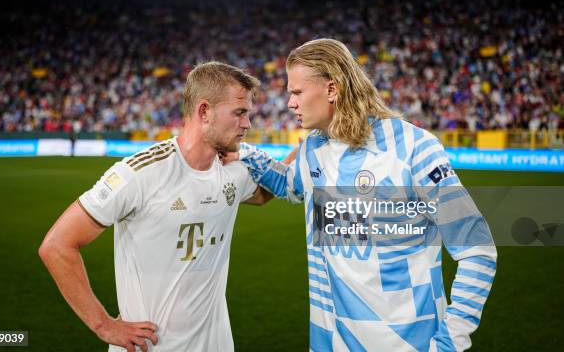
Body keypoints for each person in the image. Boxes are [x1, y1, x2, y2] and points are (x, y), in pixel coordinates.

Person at [237, 39, 497, 351]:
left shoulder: (414, 148)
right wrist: (240, 150)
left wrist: (450, 341)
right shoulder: (313, 149)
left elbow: (477, 250)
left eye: (297, 92)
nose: (290, 103)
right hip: (330, 343)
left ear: (332, 89)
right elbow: (288, 184)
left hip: (409, 344)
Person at [39, 61, 275, 352]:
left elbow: (266, 192)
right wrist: (103, 325)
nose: (247, 124)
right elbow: (57, 245)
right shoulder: (141, 172)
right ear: (204, 111)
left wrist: (309, 149)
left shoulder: (232, 169)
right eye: (239, 113)